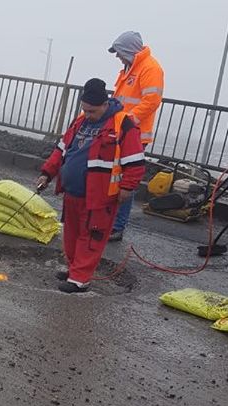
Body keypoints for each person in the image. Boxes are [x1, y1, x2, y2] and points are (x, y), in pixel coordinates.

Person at [37, 78, 145, 294]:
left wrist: (127, 187)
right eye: (84, 110)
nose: (87, 115)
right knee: (71, 234)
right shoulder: (80, 122)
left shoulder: (123, 125)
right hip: (73, 193)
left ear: (105, 105)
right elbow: (61, 150)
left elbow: (135, 161)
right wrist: (47, 173)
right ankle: (73, 269)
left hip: (99, 196)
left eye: (92, 111)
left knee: (91, 237)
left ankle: (80, 279)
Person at [107, 31, 164, 241]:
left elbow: (151, 101)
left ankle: (117, 226)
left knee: (125, 180)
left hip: (134, 134)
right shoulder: (130, 68)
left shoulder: (150, 68)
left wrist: (128, 122)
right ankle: (110, 222)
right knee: (114, 177)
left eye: (119, 52)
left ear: (129, 50)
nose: (117, 57)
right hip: (122, 131)